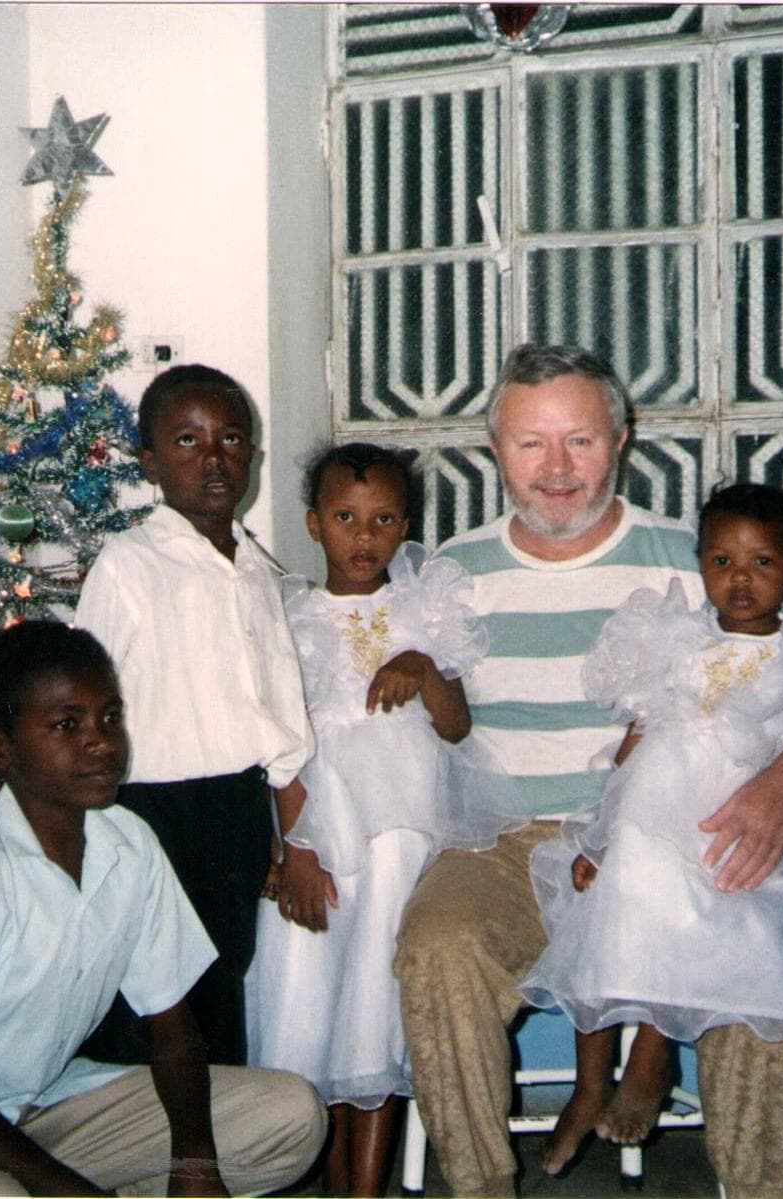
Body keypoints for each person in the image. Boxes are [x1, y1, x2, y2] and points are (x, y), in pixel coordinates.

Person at [392, 344, 783, 1199]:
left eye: (581, 441)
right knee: (435, 943)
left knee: (757, 974)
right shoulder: (455, 571)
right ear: (495, 449)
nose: (556, 469)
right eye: (531, 444)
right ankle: (480, 1185)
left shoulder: (702, 560)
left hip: (680, 835)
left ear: (622, 438)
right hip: (507, 841)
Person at [0, 621, 325, 1196]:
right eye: (65, 725)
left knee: (291, 1113)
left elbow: (173, 1028)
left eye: (110, 717)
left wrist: (195, 1167)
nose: (100, 741)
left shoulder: (129, 843)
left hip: (43, 1107)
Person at [520, 481, 783, 1178]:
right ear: (700, 562)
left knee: (707, 906)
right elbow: (635, 740)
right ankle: (595, 1081)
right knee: (611, 901)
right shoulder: (676, 638)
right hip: (646, 819)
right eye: (721, 561)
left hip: (731, 835)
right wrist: (599, 835)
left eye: (762, 563)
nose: (739, 580)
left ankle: (650, 1053)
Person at [245, 443, 506, 1197]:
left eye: (382, 519)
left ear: (404, 527)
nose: (363, 536)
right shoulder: (285, 616)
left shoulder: (420, 610)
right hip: (315, 836)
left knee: (375, 1005)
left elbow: (454, 728)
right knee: (304, 997)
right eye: (345, 518)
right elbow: (280, 751)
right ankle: (315, 1171)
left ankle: (363, 1188)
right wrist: (293, 845)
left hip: (401, 830)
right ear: (314, 524)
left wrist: (422, 664)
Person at [74, 365, 313, 1067]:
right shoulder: (129, 565)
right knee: (148, 1000)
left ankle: (221, 1148)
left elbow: (280, 713)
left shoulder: (256, 568)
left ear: (253, 458)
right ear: (149, 461)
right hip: (150, 813)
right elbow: (87, 698)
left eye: (231, 438)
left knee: (220, 982)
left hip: (234, 811)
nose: (214, 459)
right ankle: (140, 1155)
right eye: (187, 440)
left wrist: (286, 833)